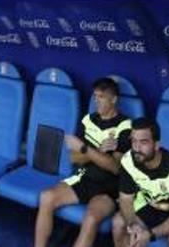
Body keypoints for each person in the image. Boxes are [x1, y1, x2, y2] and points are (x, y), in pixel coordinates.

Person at [34, 78, 133, 247]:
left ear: (114, 99)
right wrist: (98, 151)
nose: (97, 101)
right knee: (46, 197)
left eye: (101, 97)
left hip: (110, 187)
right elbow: (74, 158)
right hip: (85, 178)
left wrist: (86, 149)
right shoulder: (88, 120)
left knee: (91, 218)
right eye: (95, 96)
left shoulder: (125, 126)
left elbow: (115, 167)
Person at [111, 118, 169, 247]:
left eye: (143, 142)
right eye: (133, 141)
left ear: (156, 145)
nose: (136, 148)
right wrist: (132, 225)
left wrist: (150, 235)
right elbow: (125, 199)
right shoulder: (129, 160)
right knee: (119, 222)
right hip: (154, 204)